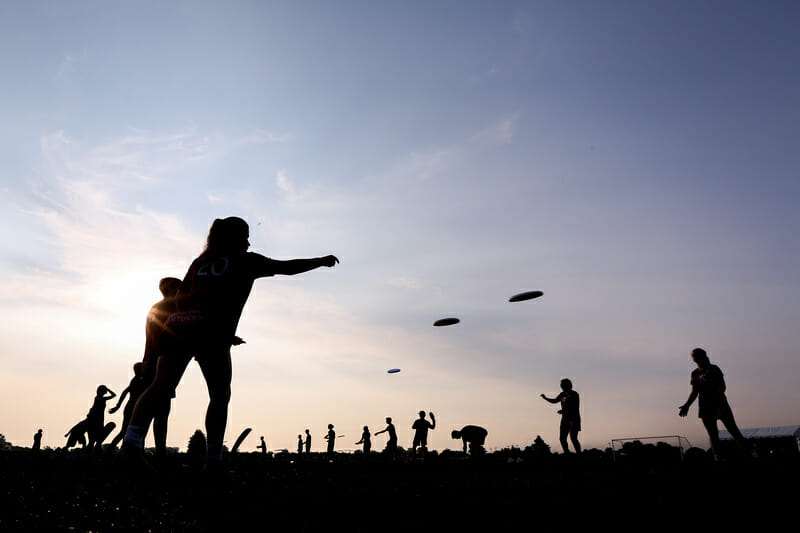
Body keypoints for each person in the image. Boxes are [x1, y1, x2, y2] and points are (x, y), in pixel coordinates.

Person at [122, 217, 338, 468]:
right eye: (245, 236)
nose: (248, 241)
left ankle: (131, 443)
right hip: (210, 334)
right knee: (219, 394)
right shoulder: (246, 261)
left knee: (159, 387)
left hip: (178, 327)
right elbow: (286, 267)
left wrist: (192, 323)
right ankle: (213, 459)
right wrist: (320, 262)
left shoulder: (200, 262)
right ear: (233, 238)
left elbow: (181, 299)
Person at [679, 347, 747, 459]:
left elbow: (722, 386)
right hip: (705, 407)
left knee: (733, 430)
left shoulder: (714, 369)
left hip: (720, 404)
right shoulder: (695, 373)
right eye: (694, 356)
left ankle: (746, 454)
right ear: (693, 359)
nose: (696, 358)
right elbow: (694, 392)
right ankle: (718, 458)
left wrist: (715, 398)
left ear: (703, 356)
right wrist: (687, 405)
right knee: (713, 435)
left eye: (698, 356)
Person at [108, 362, 146, 449]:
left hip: (131, 407)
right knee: (126, 431)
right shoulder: (137, 381)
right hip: (132, 408)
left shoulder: (137, 380)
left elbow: (125, 392)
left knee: (127, 431)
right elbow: (125, 392)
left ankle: (120, 449)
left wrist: (118, 406)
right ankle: (111, 449)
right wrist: (117, 406)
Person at [541, 379, 581, 454]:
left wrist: (563, 411)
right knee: (562, 438)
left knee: (573, 438)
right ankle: (567, 453)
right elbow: (554, 401)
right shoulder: (562, 394)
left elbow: (575, 406)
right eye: (561, 385)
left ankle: (579, 454)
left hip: (574, 418)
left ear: (568, 385)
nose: (561, 386)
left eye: (563, 385)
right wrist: (545, 398)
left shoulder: (574, 394)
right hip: (565, 419)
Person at [86, 385, 116, 452]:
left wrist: (107, 389)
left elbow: (114, 395)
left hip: (98, 420)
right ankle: (89, 453)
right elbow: (114, 395)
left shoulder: (99, 398)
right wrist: (108, 389)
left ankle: (92, 452)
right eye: (105, 390)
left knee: (94, 441)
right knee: (93, 441)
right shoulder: (99, 398)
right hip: (96, 421)